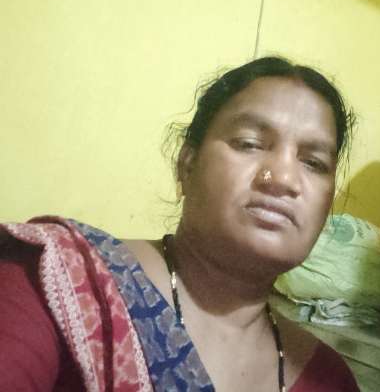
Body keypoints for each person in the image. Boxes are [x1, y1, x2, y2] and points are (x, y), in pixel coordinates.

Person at [0, 56, 359, 391]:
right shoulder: (61, 281)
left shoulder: (329, 378)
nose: (282, 178)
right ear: (186, 165)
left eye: (314, 163)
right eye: (249, 143)